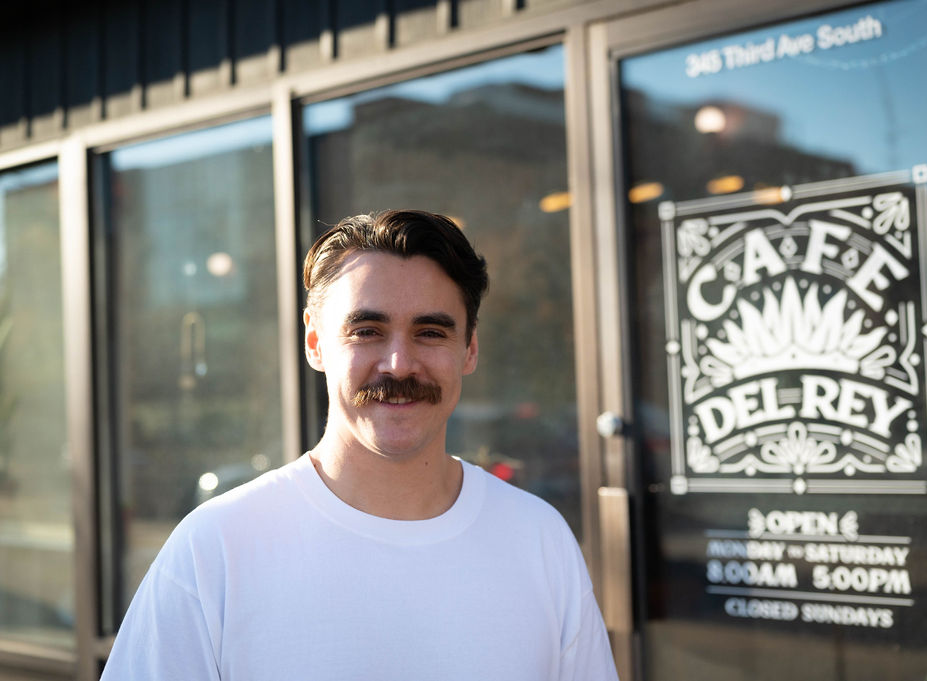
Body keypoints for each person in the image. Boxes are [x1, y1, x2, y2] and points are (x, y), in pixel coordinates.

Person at [101, 209, 619, 680]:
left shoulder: (539, 540)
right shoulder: (216, 548)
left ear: (470, 347)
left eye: (431, 332)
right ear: (314, 342)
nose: (399, 364)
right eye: (367, 330)